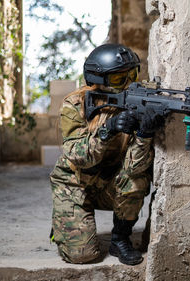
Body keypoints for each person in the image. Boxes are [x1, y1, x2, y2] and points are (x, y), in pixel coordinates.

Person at [49, 43, 162, 265]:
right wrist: (108, 129)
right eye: (120, 80)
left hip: (111, 182)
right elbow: (77, 156)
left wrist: (144, 134)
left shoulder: (140, 100)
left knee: (136, 179)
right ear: (98, 79)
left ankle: (120, 239)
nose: (128, 84)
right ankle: (63, 222)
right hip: (74, 183)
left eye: (132, 74)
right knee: (83, 255)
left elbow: (134, 168)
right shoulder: (76, 104)